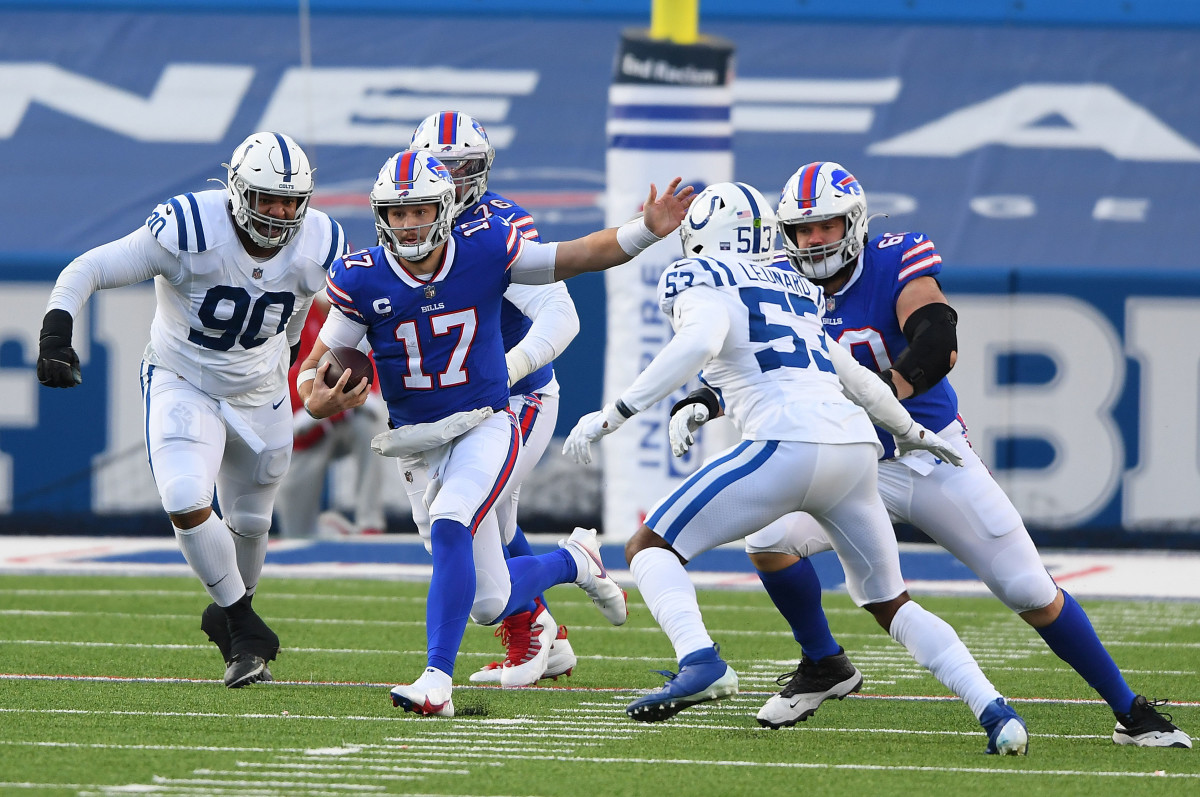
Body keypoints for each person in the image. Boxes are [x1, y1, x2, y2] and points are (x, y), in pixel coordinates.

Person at [670, 161, 1191, 749]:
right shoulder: (775, 281)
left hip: (929, 454)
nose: (814, 241)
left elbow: (937, 340)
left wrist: (882, 395)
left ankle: (1130, 711)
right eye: (802, 230)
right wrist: (705, 399)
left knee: (1027, 588)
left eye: (827, 225)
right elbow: (763, 365)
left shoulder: (895, 258)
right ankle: (825, 664)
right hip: (850, 461)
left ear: (856, 221)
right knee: (768, 542)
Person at [564, 181, 1029, 755]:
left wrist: (613, 414)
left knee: (649, 547)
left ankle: (700, 660)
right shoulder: (796, 289)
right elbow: (854, 378)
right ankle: (995, 711)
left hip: (785, 443)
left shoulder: (698, 277)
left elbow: (696, 344)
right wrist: (913, 433)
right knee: (891, 602)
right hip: (857, 449)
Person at [298, 150, 693, 716]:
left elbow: (577, 255)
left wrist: (645, 231)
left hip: (488, 422)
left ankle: (437, 679)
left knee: (453, 519)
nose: (407, 224)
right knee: (489, 601)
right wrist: (316, 396)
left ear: (444, 209)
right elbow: (318, 363)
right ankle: (575, 560)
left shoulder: (484, 249)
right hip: (417, 441)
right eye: (396, 212)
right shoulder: (361, 276)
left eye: (418, 211)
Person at [37, 131, 349, 688]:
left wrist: (313, 376)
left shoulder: (321, 241)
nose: (279, 214)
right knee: (184, 497)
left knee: (251, 521)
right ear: (235, 191)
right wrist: (56, 333)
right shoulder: (188, 229)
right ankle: (240, 622)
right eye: (266, 199)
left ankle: (235, 624)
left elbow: (347, 318)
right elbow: (89, 268)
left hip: (262, 386)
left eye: (290, 202)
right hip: (184, 376)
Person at [407, 111, 580, 686]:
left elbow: (561, 315)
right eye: (442, 169)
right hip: (451, 411)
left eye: (465, 170)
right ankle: (546, 628)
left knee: (467, 523)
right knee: (492, 522)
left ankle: (549, 599)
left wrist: (504, 371)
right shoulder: (407, 224)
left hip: (516, 401)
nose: (454, 183)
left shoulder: (501, 227)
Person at [275, 294, 389, 539]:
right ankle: (331, 530)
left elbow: (370, 374)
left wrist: (360, 399)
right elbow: (287, 375)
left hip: (343, 420)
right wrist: (303, 411)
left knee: (369, 427)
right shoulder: (295, 318)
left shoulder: (357, 315)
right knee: (296, 537)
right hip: (303, 434)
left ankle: (369, 522)